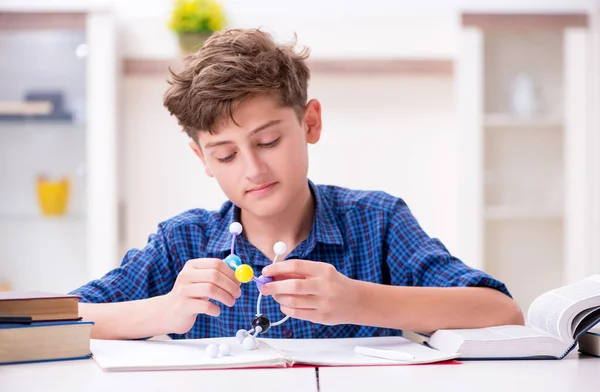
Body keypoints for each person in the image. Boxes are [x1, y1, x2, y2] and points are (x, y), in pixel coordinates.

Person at [70, 28, 524, 340]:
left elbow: (500, 312)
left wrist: (359, 301)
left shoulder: (378, 222)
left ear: (310, 122)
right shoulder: (182, 241)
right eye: (226, 155)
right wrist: (162, 310)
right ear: (202, 159)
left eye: (267, 141)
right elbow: (49, 320)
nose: (251, 169)